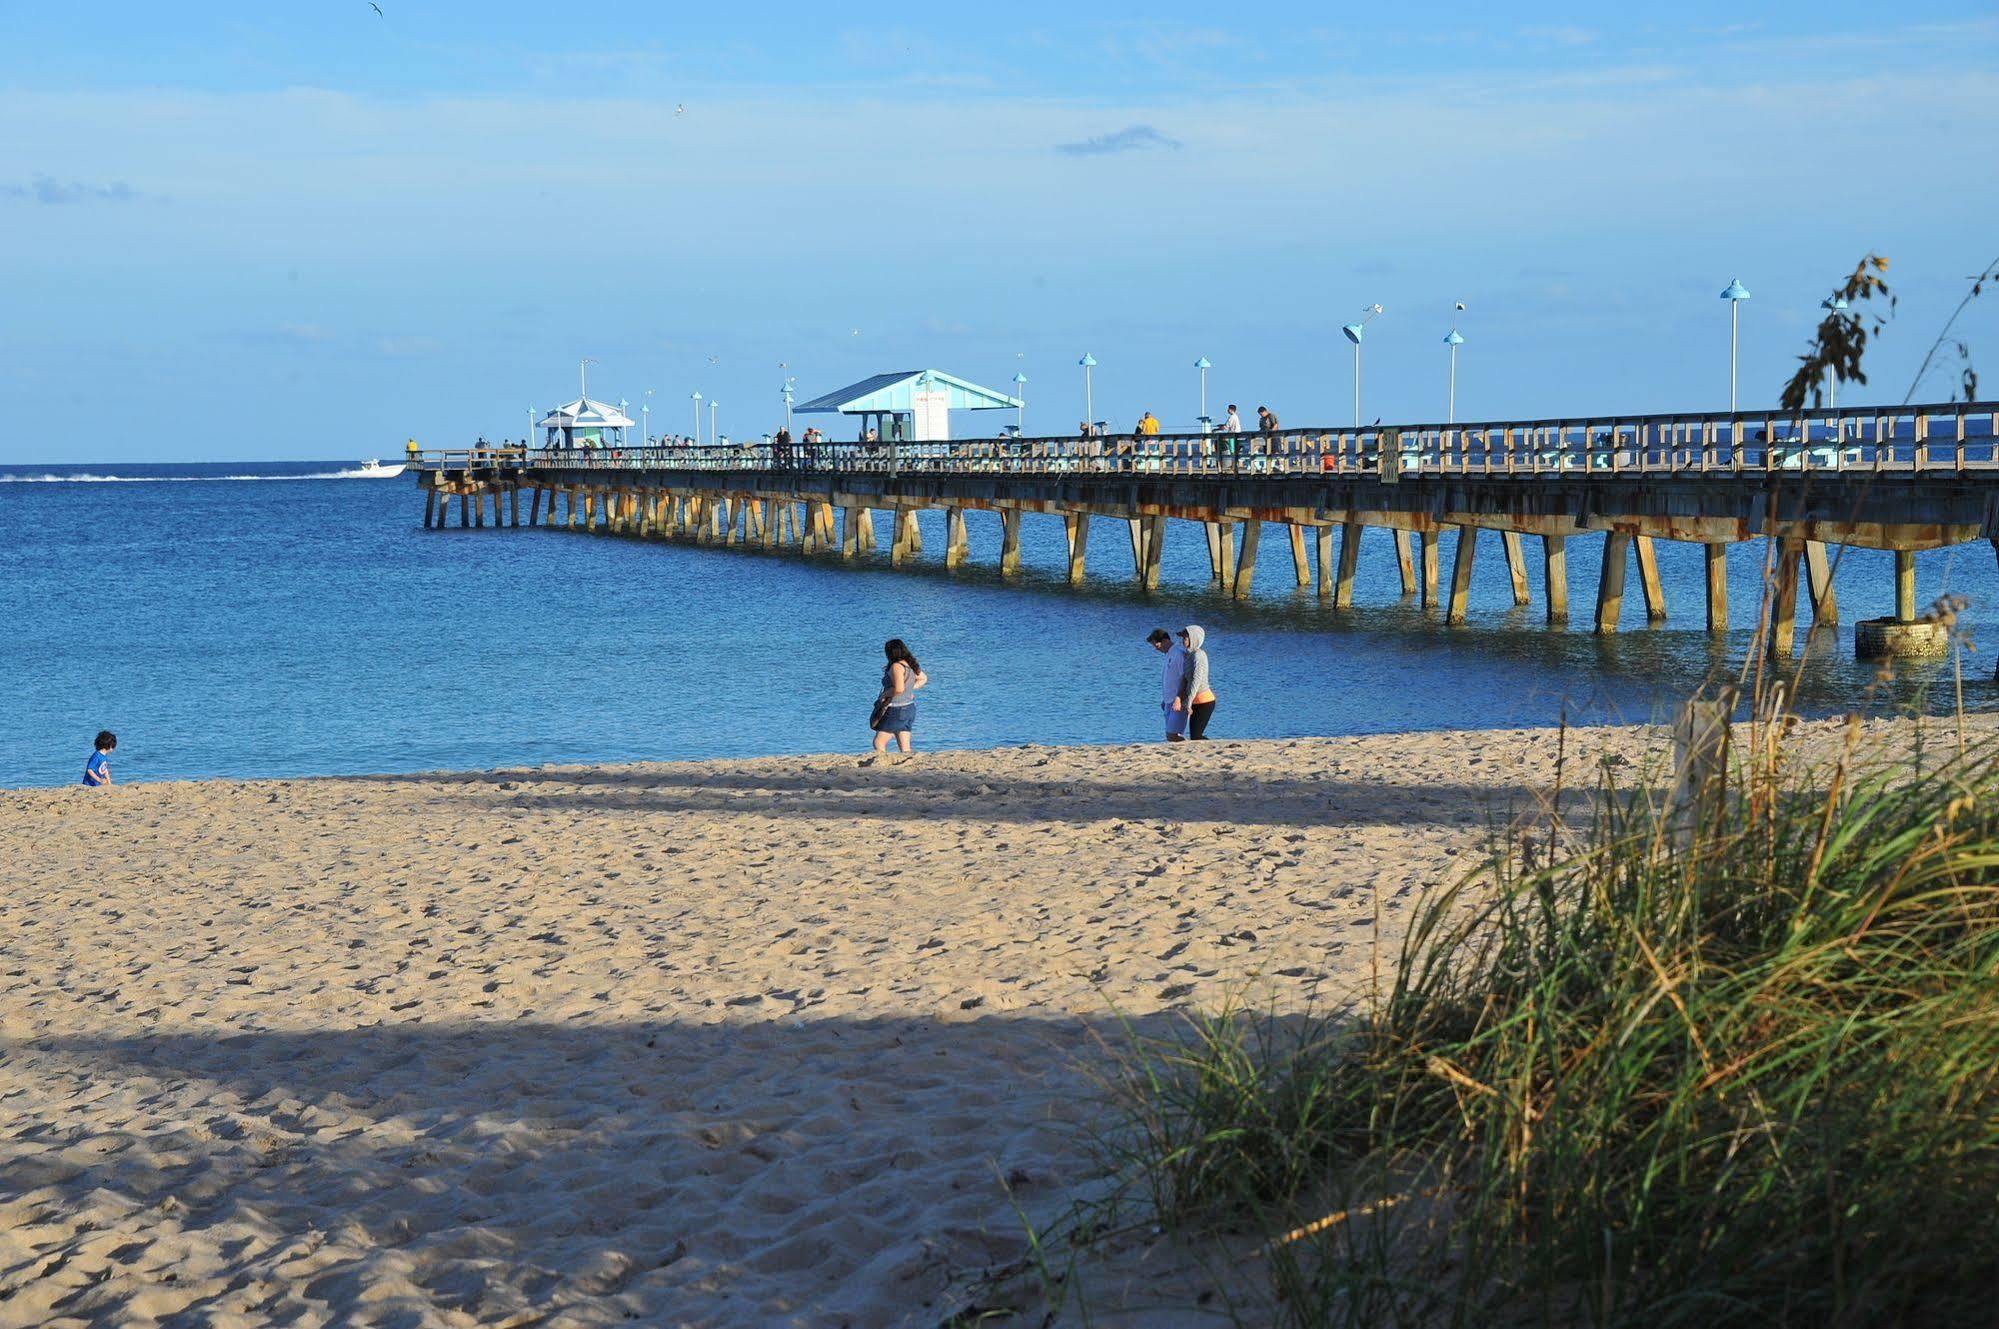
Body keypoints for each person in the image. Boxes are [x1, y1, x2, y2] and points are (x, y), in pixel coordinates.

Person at [870, 638, 928, 753]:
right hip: (909, 708)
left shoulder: (896, 666)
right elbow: (923, 679)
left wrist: (884, 695)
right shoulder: (910, 664)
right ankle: (907, 766)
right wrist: (909, 689)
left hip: (896, 708)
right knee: (905, 747)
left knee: (879, 742)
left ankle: (881, 765)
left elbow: (899, 689)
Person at [1148, 628, 1189, 742]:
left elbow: (1185, 678)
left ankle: (1190, 747)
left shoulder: (1178, 653)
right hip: (1168, 701)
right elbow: (1170, 679)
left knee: (1173, 734)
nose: (1156, 649)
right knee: (1169, 735)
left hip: (1178, 700)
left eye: (1157, 645)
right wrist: (1165, 700)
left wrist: (1179, 698)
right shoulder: (1169, 654)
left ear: (1165, 640)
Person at [1176, 627, 1216, 739]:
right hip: (1195, 702)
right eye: (1182, 638)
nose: (1183, 640)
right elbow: (1185, 679)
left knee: (1196, 737)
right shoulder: (1189, 655)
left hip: (1205, 702)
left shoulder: (1199, 655)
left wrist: (1188, 702)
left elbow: (1196, 680)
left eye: (1185, 638)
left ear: (1194, 639)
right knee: (1195, 737)